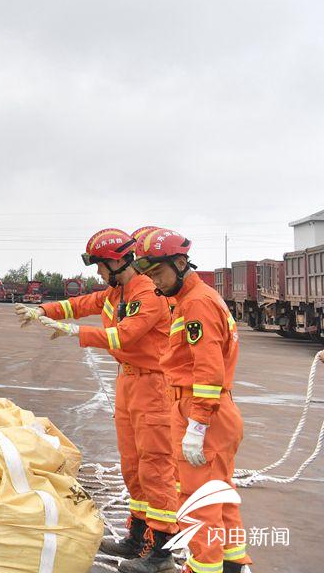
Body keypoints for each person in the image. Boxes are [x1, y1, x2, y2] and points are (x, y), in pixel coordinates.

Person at [18, 229, 179, 572]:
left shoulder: (148, 294)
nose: (98, 272)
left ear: (119, 260)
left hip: (154, 386)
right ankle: (137, 537)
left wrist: (75, 333)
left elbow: (125, 335)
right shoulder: (114, 292)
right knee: (132, 465)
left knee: (157, 467)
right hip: (130, 384)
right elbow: (79, 304)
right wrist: (41, 310)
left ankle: (163, 551)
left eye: (100, 265)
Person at [133, 229, 253, 573]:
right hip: (214, 412)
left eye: (158, 272)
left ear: (181, 262)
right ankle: (232, 564)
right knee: (220, 496)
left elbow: (208, 369)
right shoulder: (195, 299)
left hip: (202, 412)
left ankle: (203, 567)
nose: (154, 281)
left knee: (197, 502)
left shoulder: (197, 302)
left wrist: (197, 424)